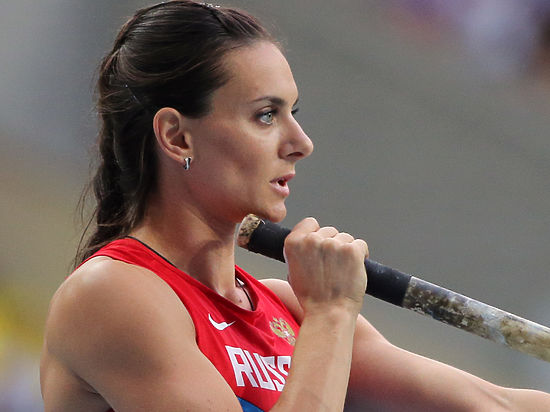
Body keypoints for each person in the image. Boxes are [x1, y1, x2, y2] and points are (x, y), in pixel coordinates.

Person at [40, 1, 550, 411]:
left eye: (293, 112)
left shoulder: (285, 305)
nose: (301, 142)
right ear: (177, 136)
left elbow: (493, 402)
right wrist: (331, 311)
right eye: (266, 115)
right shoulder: (110, 295)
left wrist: (323, 313)